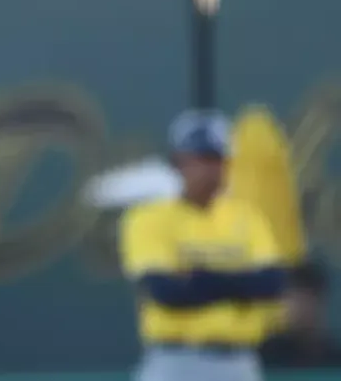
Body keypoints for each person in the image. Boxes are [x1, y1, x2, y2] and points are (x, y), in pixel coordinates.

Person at [119, 109, 288, 381]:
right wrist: (240, 284)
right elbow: (166, 292)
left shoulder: (248, 217)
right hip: (176, 360)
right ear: (177, 162)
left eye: (219, 160)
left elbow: (272, 284)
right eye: (203, 159)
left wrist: (203, 280)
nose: (213, 170)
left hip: (239, 360)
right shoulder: (149, 217)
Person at [260, 260, 341, 367]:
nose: (302, 308)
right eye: (295, 299)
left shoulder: (334, 360)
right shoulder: (267, 356)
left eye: (308, 299)